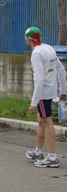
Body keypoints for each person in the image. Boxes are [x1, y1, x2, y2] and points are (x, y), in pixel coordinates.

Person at [24, 27, 67, 168]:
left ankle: (52, 157)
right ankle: (38, 150)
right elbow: (61, 69)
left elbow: (39, 79)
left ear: (28, 39)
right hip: (51, 90)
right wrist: (63, 91)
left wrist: (33, 102)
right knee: (40, 119)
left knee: (47, 121)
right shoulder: (48, 48)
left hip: (43, 93)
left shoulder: (36, 53)